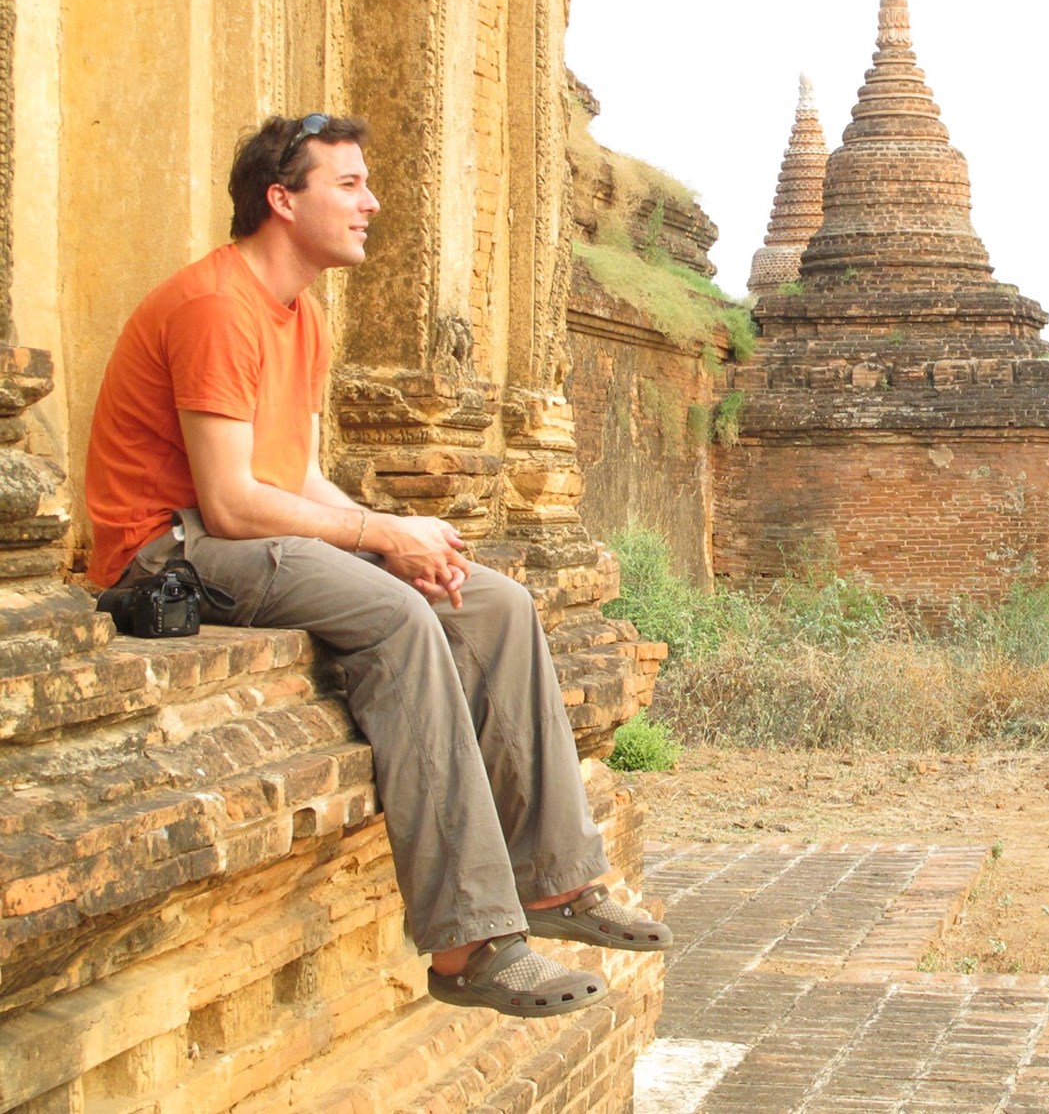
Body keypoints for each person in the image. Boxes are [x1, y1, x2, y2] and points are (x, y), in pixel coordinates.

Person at [84, 113, 672, 1019]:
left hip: (246, 535)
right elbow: (231, 501)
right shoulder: (215, 307)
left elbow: (301, 476)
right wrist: (382, 537)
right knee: (400, 622)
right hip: (170, 547)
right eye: (349, 184)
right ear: (282, 200)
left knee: (496, 604)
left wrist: (398, 537)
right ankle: (469, 945)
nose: (373, 203)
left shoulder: (301, 317)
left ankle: (556, 882)